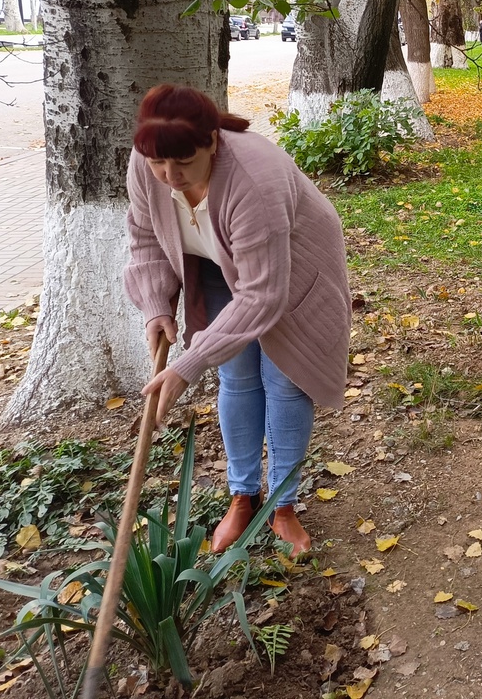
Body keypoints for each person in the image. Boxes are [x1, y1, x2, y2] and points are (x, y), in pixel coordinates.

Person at [124, 84, 352, 556]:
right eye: (158, 166)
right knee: (238, 378)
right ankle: (243, 496)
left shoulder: (254, 179)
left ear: (212, 142)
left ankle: (283, 507)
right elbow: (145, 235)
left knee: (286, 382)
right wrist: (156, 305)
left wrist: (189, 363)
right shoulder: (151, 162)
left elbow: (263, 296)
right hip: (212, 264)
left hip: (288, 268)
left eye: (182, 165)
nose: (169, 176)